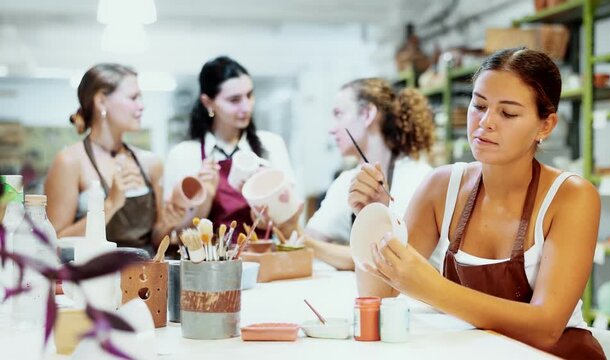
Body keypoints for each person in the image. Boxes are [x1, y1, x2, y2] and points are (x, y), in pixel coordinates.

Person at [348, 48, 605, 358]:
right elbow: (379, 294)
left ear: (545, 125)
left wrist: (433, 289)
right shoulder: (441, 187)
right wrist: (372, 218)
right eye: (479, 105)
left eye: (507, 113)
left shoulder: (571, 196)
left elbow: (546, 327)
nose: (486, 122)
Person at [45, 63, 184, 254]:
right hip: (92, 276)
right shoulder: (70, 162)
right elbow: (55, 241)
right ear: (101, 101)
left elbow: (155, 239)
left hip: (145, 278)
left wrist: (170, 222)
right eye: (133, 98)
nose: (141, 106)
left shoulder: (151, 163)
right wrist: (110, 205)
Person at [303, 78, 435, 271]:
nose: (332, 129)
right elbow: (310, 237)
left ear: (367, 114)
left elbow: (392, 257)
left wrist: (311, 245)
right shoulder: (346, 181)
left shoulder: (419, 179)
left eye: (339, 114)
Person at [164, 56, 296, 238]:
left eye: (249, 95)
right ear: (208, 103)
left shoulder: (271, 145)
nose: (246, 107)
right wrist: (205, 196)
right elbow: (176, 234)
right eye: (234, 100)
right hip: (209, 263)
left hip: (262, 260)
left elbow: (292, 219)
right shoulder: (184, 155)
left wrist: (266, 193)